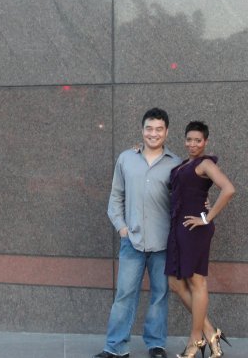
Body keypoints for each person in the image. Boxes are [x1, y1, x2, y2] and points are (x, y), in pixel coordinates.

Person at [94, 108, 182, 358]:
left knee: (160, 295)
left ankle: (156, 345)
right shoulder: (126, 159)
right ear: (142, 130)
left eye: (159, 129)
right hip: (131, 241)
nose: (153, 133)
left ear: (167, 131)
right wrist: (121, 227)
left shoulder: (175, 164)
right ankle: (115, 347)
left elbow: (185, 200)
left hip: (163, 243)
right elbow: (116, 196)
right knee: (124, 295)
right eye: (149, 128)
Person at [165, 121, 235, 358]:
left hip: (195, 229)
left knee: (197, 283)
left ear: (205, 142)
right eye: (189, 139)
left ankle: (195, 340)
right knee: (175, 283)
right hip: (179, 228)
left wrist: (207, 218)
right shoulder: (185, 164)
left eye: (197, 140)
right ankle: (210, 332)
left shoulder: (205, 163)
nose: (192, 144)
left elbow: (228, 189)